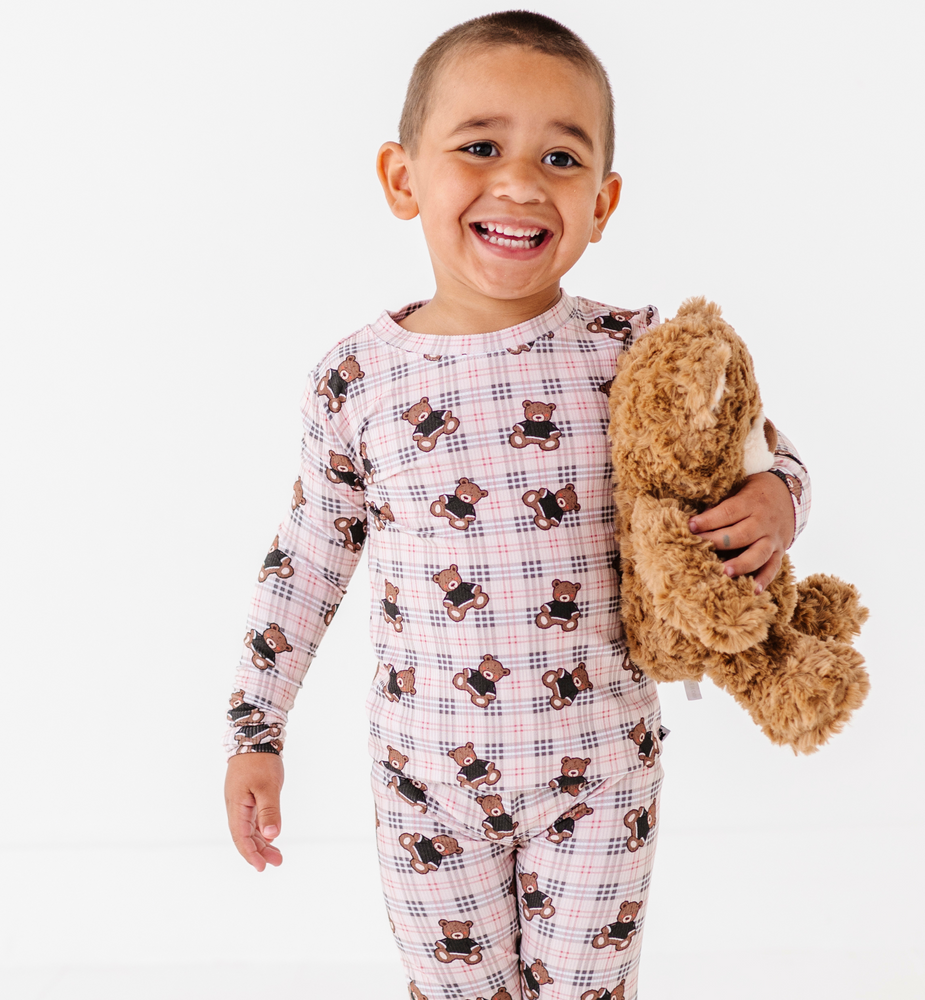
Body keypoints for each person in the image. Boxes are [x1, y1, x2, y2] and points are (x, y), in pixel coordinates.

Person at [223, 11, 811, 999]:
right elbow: (306, 562)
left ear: (602, 200)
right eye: (480, 146)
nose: (520, 181)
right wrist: (255, 730)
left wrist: (776, 498)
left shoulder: (636, 351)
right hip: (424, 786)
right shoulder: (355, 380)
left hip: (601, 768)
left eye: (561, 156)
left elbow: (762, 445)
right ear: (403, 178)